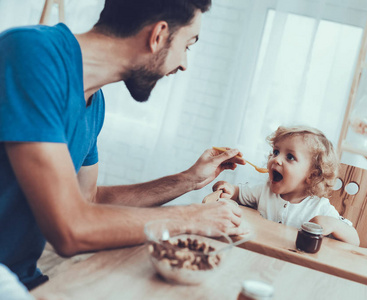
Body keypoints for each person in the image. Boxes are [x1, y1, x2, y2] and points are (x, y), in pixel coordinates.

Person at [0, 0, 248, 289]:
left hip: (22, 279)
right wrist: (191, 217)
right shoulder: (31, 55)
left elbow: (87, 201)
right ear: (158, 35)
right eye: (187, 45)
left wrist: (188, 180)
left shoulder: (95, 102)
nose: (183, 64)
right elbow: (71, 228)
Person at [213, 125, 360, 246]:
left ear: (312, 175)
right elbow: (239, 193)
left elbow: (355, 240)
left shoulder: (319, 207)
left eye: (290, 157)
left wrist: (332, 224)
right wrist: (230, 190)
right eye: (275, 152)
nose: (276, 159)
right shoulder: (264, 191)